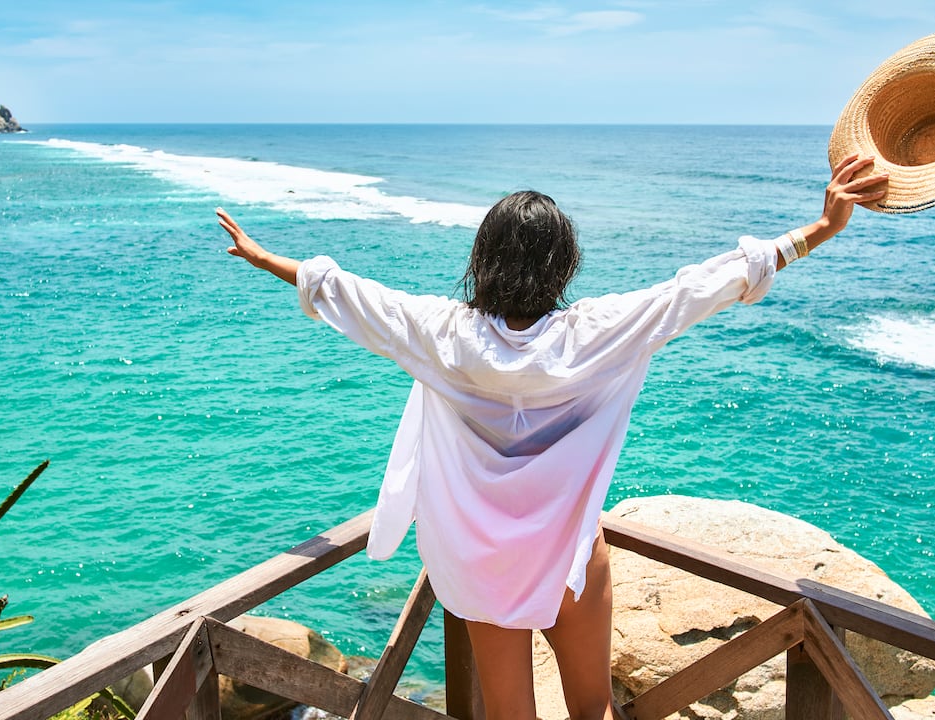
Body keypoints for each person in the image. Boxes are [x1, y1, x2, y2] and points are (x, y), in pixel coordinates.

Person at [218, 154, 888, 720]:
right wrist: (820, 230)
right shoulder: (595, 332)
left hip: (480, 564)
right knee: (591, 707)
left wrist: (262, 257)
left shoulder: (443, 333)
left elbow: (343, 291)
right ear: (565, 264)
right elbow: (705, 285)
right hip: (568, 556)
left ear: (482, 260)